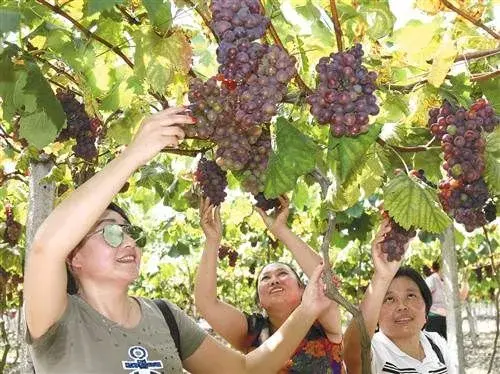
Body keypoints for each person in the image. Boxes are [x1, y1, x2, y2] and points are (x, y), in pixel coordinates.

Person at [23, 107, 333, 374]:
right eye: (112, 232)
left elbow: (245, 369)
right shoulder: (59, 320)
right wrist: (133, 156)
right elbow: (45, 248)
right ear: (74, 257)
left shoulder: (165, 317)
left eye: (132, 232)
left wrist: (307, 310)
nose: (129, 242)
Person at [195, 196, 344, 373]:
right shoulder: (252, 330)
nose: (274, 280)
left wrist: (280, 230)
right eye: (265, 278)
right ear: (259, 301)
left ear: (303, 289)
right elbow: (206, 303)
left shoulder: (321, 320)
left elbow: (325, 278)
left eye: (282, 274)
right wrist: (212, 240)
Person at [343, 219, 452, 374]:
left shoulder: (436, 344)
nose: (402, 306)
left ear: (426, 310)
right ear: (376, 316)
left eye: (411, 296)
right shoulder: (376, 351)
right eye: (389, 299)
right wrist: (382, 276)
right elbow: (353, 351)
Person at [425, 260, 447, 339]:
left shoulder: (445, 281)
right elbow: (424, 294)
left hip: (444, 317)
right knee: (435, 345)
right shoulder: (433, 279)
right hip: (434, 317)